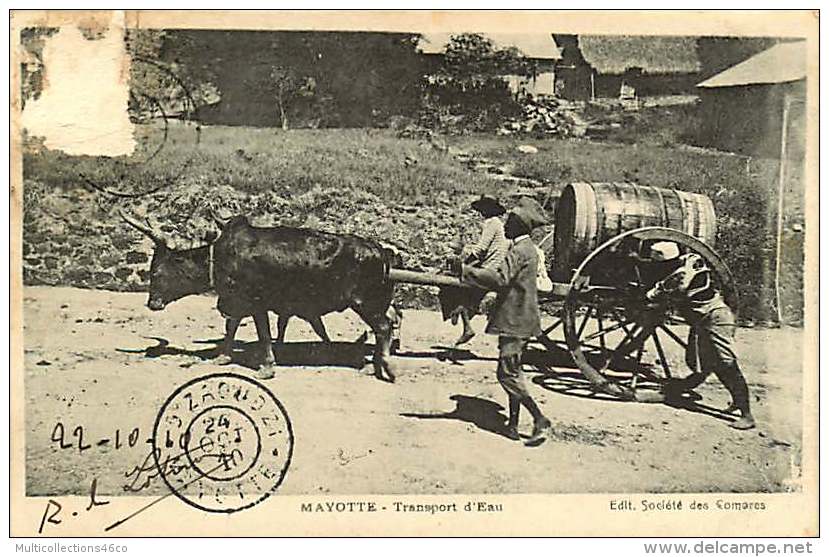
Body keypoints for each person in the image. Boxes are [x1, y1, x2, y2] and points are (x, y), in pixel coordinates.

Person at [459, 197, 553, 446]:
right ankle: (512, 423)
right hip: (518, 319)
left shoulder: (521, 250)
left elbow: (500, 279)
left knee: (506, 374)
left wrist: (468, 272)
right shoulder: (527, 249)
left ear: (520, 225)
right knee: (515, 372)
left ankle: (540, 419)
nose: (506, 225)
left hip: (515, 320)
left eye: (510, 221)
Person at [644, 241, 756, 430]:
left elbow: (655, 295)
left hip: (715, 319)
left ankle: (747, 415)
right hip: (703, 319)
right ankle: (736, 401)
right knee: (705, 363)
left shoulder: (678, 278)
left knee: (726, 364)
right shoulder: (692, 261)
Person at [439, 195, 510, 346]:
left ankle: (459, 314)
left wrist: (465, 264)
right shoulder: (499, 224)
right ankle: (462, 316)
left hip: (489, 270)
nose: (481, 212)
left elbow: (481, 249)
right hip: (494, 267)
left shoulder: (492, 223)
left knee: (450, 280)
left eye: (483, 209)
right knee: (466, 290)